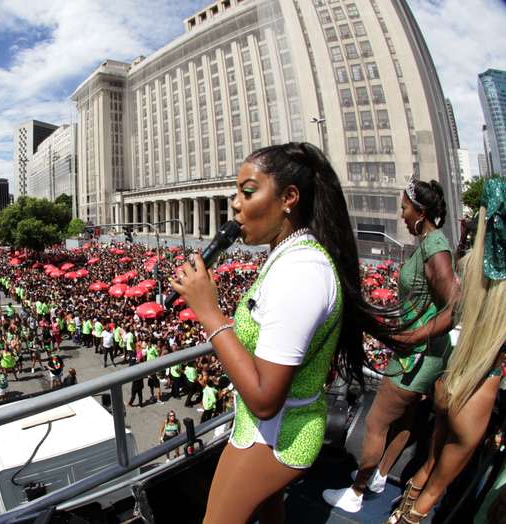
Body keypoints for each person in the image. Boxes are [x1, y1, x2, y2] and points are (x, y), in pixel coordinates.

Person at [171, 142, 407, 523]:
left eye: (248, 192)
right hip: (264, 429)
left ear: (289, 198)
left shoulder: (301, 273)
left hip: (276, 436)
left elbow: (266, 398)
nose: (235, 204)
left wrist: (210, 313)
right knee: (270, 512)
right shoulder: (288, 259)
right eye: (236, 194)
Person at [323, 176, 457, 513]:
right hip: (422, 354)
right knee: (405, 419)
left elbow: (455, 308)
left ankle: (355, 493)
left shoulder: (435, 248)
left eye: (404, 209)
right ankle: (380, 475)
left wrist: (413, 337)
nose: (401, 215)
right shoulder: (430, 243)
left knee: (376, 422)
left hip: (417, 356)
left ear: (420, 212)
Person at [384, 178, 506, 524]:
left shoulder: (467, 268)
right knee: (436, 490)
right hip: (480, 391)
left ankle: (394, 515)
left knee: (426, 469)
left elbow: (451, 315)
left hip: (449, 383)